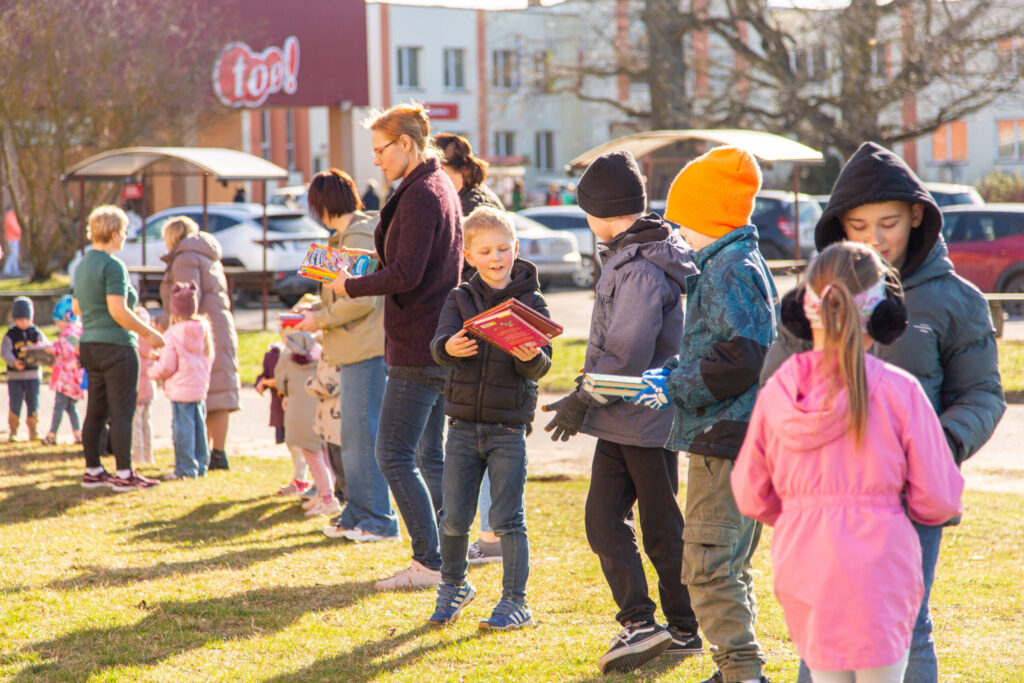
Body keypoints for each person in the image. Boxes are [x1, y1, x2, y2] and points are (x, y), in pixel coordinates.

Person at [761, 142, 1006, 683]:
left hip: (909, 502)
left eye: (889, 223)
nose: (874, 238)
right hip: (822, 500)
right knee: (822, 630)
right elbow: (774, 390)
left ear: (918, 215)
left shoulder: (957, 300)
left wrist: (938, 445)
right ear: (839, 228)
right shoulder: (814, 296)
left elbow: (984, 394)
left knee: (906, 626)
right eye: (859, 225)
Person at [732, 242, 965, 682]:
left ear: (805, 308)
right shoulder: (900, 391)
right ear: (884, 315)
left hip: (804, 561)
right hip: (881, 566)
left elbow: (749, 492)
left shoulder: (778, 391)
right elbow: (940, 498)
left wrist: (803, 511)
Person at [542, 151, 700, 674]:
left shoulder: (640, 266)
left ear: (601, 211)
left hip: (645, 418)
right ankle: (639, 622)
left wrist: (582, 396)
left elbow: (627, 348)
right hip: (619, 417)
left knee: (659, 527)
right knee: (603, 519)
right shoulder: (629, 251)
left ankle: (684, 627)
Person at [631, 146, 777, 683]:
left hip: (726, 436)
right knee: (729, 562)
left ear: (709, 219)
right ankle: (735, 664)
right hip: (734, 433)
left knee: (708, 563)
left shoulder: (730, 269)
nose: (676, 234)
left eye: (682, 223)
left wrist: (676, 387)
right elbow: (723, 345)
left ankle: (742, 670)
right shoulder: (731, 262)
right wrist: (673, 375)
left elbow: (743, 355)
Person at [324, 102, 462, 589]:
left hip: (420, 343)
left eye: (381, 150)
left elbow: (408, 274)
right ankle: (447, 558)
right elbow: (408, 260)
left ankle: (430, 562)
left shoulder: (424, 192)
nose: (376, 160)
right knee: (428, 457)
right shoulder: (432, 185)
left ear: (407, 144)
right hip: (430, 338)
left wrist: (351, 286)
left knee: (394, 456)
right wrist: (372, 265)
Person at [426, 207, 551, 630]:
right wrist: (449, 349)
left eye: (503, 249)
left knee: (507, 519)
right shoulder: (459, 297)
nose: (496, 258)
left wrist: (530, 359)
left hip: (508, 429)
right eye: (485, 251)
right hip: (462, 427)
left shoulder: (531, 301)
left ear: (515, 249)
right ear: (469, 255)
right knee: (454, 517)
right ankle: (454, 586)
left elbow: (541, 365)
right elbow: (439, 344)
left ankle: (516, 601)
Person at [299, 168, 398, 542]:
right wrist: (314, 310)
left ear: (322, 205)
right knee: (352, 435)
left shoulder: (356, 235)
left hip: (366, 347)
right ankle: (359, 511)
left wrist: (317, 319)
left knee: (362, 435)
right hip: (353, 346)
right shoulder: (346, 236)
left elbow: (361, 298)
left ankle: (378, 519)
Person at [433, 132, 505, 563]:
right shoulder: (475, 198)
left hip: (485, 330)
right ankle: (490, 533)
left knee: (490, 434)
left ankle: (493, 537)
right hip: (476, 327)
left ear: (450, 169)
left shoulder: (474, 208)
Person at [73, 205, 164, 491]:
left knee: (96, 410)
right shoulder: (113, 266)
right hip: (117, 346)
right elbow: (119, 310)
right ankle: (124, 474)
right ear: (114, 234)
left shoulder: (83, 264)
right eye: (124, 231)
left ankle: (93, 469)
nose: (125, 237)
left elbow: (77, 306)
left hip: (90, 344)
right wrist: (150, 334)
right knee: (123, 411)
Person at [159, 216, 240, 471]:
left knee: (197, 392)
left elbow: (186, 295)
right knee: (219, 391)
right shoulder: (208, 255)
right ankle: (217, 452)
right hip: (219, 327)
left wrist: (162, 322)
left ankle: (198, 455)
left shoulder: (184, 258)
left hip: (197, 330)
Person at [149, 282, 214, 480]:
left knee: (182, 430)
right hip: (198, 387)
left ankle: (185, 468)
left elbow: (168, 365)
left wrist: (153, 371)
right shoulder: (203, 331)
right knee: (199, 427)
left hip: (180, 389)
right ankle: (201, 464)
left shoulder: (172, 334)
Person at [276, 331, 339, 518]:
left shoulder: (286, 357)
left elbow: (280, 382)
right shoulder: (323, 355)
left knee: (313, 457)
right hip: (321, 409)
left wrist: (287, 392)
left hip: (299, 414)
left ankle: (327, 499)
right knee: (325, 455)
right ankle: (323, 494)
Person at [256, 331, 309, 496]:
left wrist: (274, 382)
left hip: (301, 407)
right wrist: (262, 382)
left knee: (304, 447)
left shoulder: (308, 350)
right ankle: (300, 479)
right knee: (291, 444)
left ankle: (304, 481)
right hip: (283, 408)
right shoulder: (276, 352)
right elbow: (269, 374)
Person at [3, 296, 48, 441]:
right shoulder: (10, 335)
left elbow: (46, 348)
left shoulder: (36, 333)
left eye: (27, 319)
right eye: (20, 320)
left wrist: (39, 351)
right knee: (15, 402)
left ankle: (34, 429)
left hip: (33, 375)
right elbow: (4, 352)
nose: (24, 323)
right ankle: (13, 430)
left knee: (33, 402)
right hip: (16, 376)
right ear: (14, 319)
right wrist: (13, 362)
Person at [43, 295, 84, 446]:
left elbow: (66, 350)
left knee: (59, 406)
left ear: (66, 318)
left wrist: (52, 349)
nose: (57, 324)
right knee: (71, 407)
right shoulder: (78, 330)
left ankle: (52, 435)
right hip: (74, 378)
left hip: (66, 378)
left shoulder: (69, 333)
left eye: (58, 321)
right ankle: (78, 434)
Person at [132, 306, 156, 465]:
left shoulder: (135, 342)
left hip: (137, 389)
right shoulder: (151, 342)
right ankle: (149, 455)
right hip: (150, 388)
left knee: (136, 424)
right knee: (147, 422)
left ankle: (138, 455)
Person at [3, 205, 21, 277]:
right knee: (14, 254)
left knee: (14, 254)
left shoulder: (9, 216)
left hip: (12, 238)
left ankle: (15, 269)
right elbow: (14, 227)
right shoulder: (10, 216)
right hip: (13, 238)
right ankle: (7, 269)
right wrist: (19, 231)